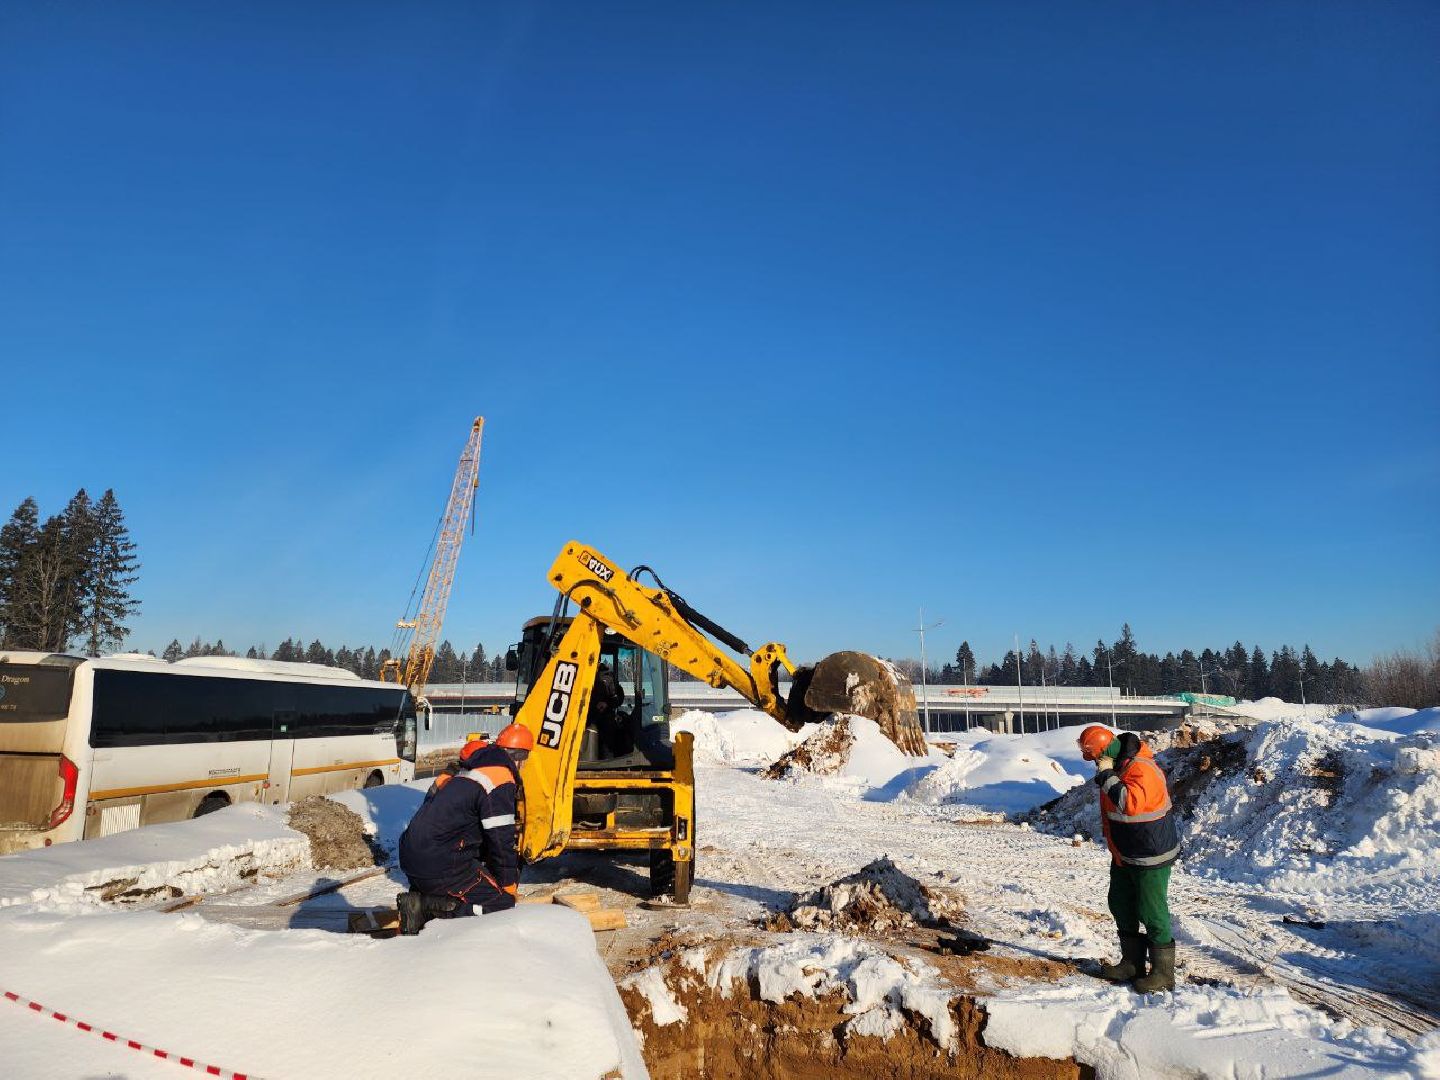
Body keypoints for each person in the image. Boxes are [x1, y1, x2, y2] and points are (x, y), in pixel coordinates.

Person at [396, 723, 533, 935]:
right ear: (519, 758)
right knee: (501, 904)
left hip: (411, 855)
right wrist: (508, 886)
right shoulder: (500, 779)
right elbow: (501, 840)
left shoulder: (465, 774)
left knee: (476, 880)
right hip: (439, 862)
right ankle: (427, 909)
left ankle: (422, 900)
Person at [1077, 724, 1180, 993]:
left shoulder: (1141, 768)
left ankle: (1163, 973)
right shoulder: (1120, 765)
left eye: (1095, 757)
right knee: (1121, 904)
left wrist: (1108, 775)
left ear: (1102, 753)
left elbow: (1130, 803)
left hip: (1150, 853)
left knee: (1151, 911)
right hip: (1125, 852)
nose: (1095, 764)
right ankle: (1132, 963)